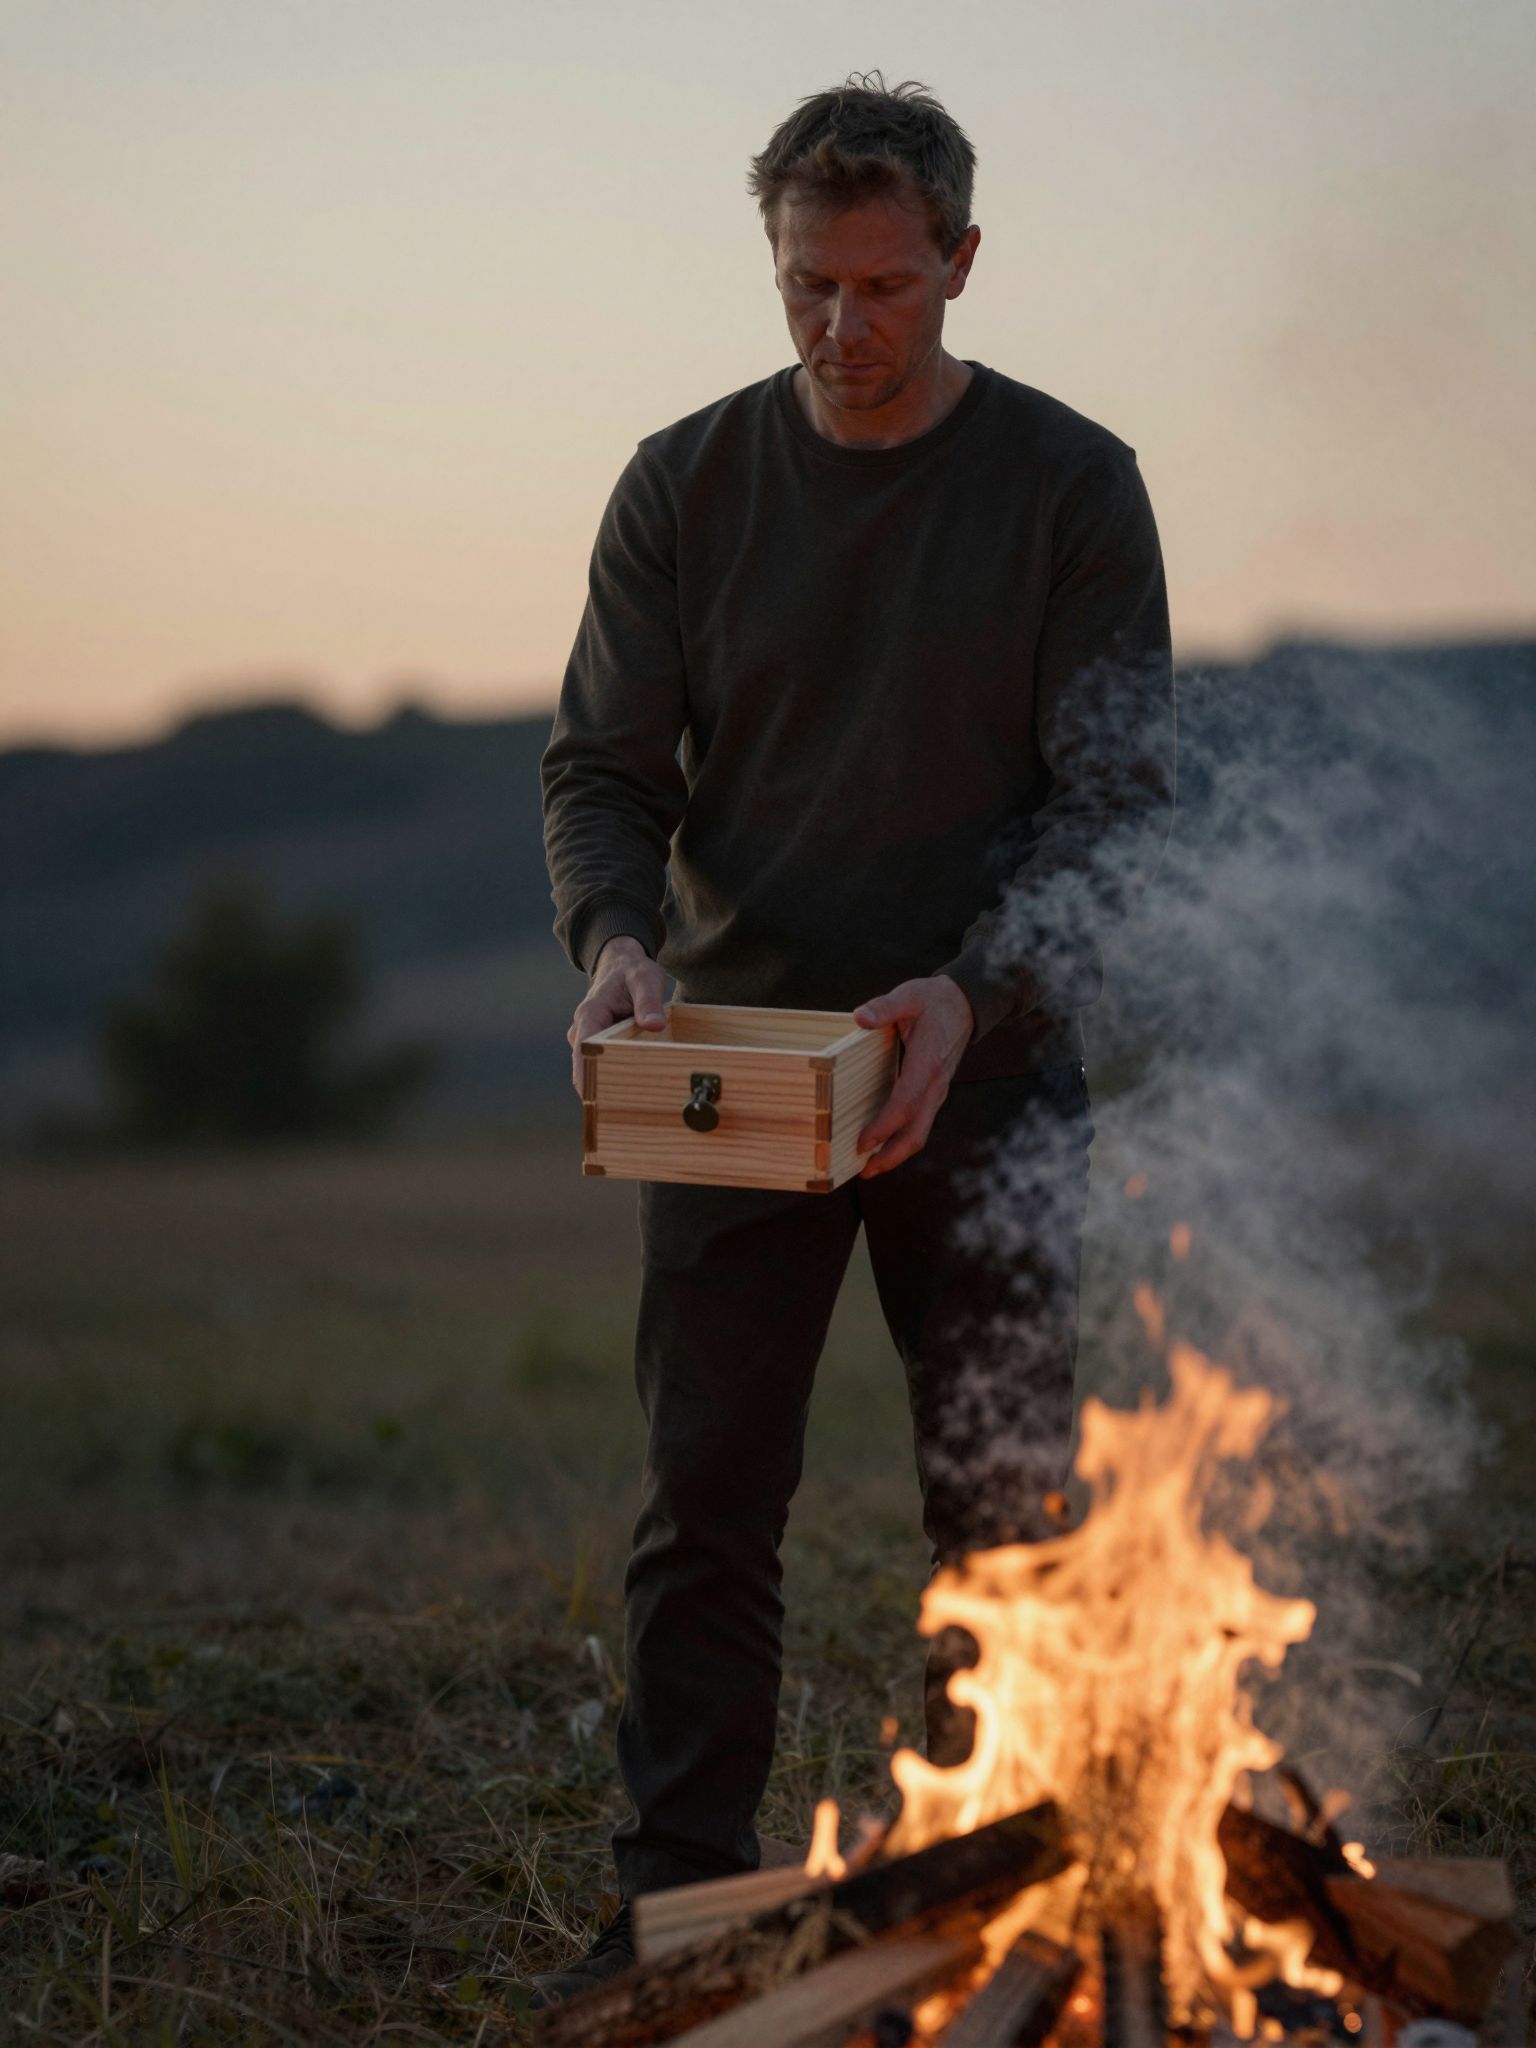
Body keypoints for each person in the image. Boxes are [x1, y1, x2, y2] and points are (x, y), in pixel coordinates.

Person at [531, 73, 1175, 2005]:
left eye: (884, 285)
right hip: (729, 1062)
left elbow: (1117, 817)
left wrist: (973, 998)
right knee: (707, 1500)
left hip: (982, 1064)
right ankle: (675, 1925)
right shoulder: (684, 482)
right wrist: (621, 944)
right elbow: (598, 772)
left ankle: (1004, 1908)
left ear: (963, 264)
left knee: (1000, 1511)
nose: (842, 327)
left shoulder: (1071, 486)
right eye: (809, 283)